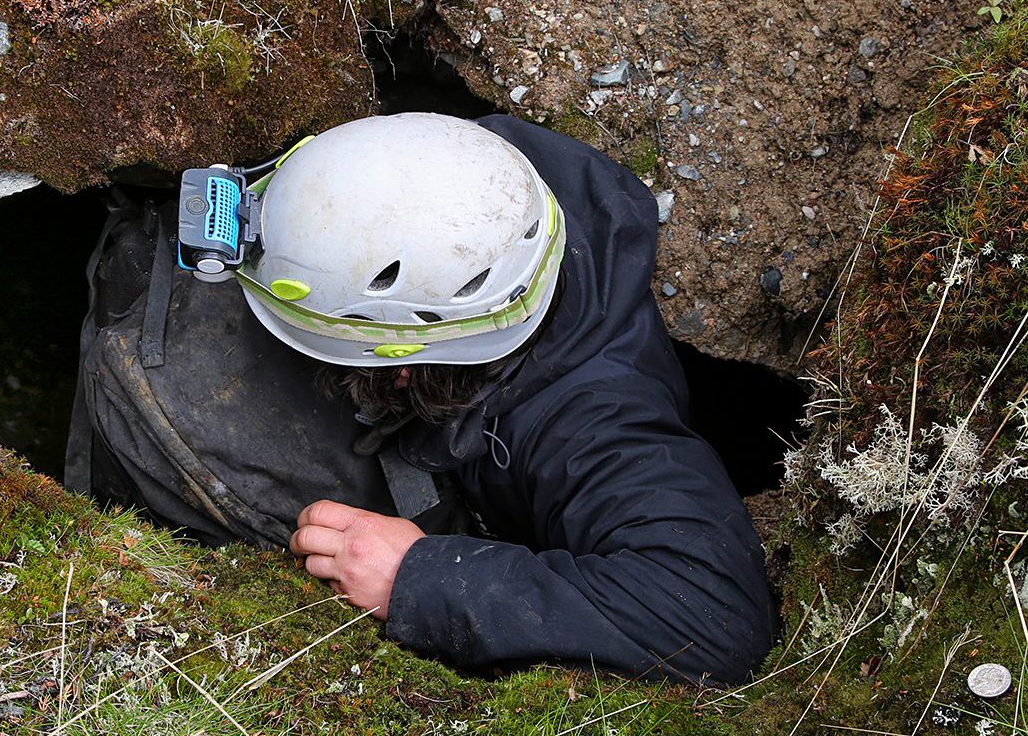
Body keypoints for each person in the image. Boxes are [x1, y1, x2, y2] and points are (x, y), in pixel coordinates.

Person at [69, 112, 774, 684]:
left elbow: (717, 615)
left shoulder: (597, 431)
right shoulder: (470, 181)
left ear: (402, 366)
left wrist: (421, 578)